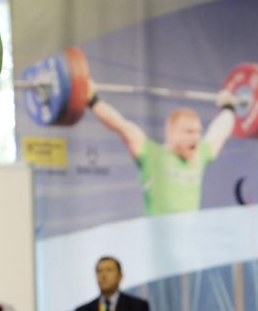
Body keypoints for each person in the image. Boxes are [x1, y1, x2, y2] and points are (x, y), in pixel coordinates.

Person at [87, 81, 236, 216]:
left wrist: (228, 107)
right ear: (171, 133)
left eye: (198, 132)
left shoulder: (199, 155)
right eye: (189, 131)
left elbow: (219, 131)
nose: (196, 137)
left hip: (190, 242)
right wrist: (93, 100)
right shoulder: (152, 155)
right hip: (160, 242)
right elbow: (121, 125)